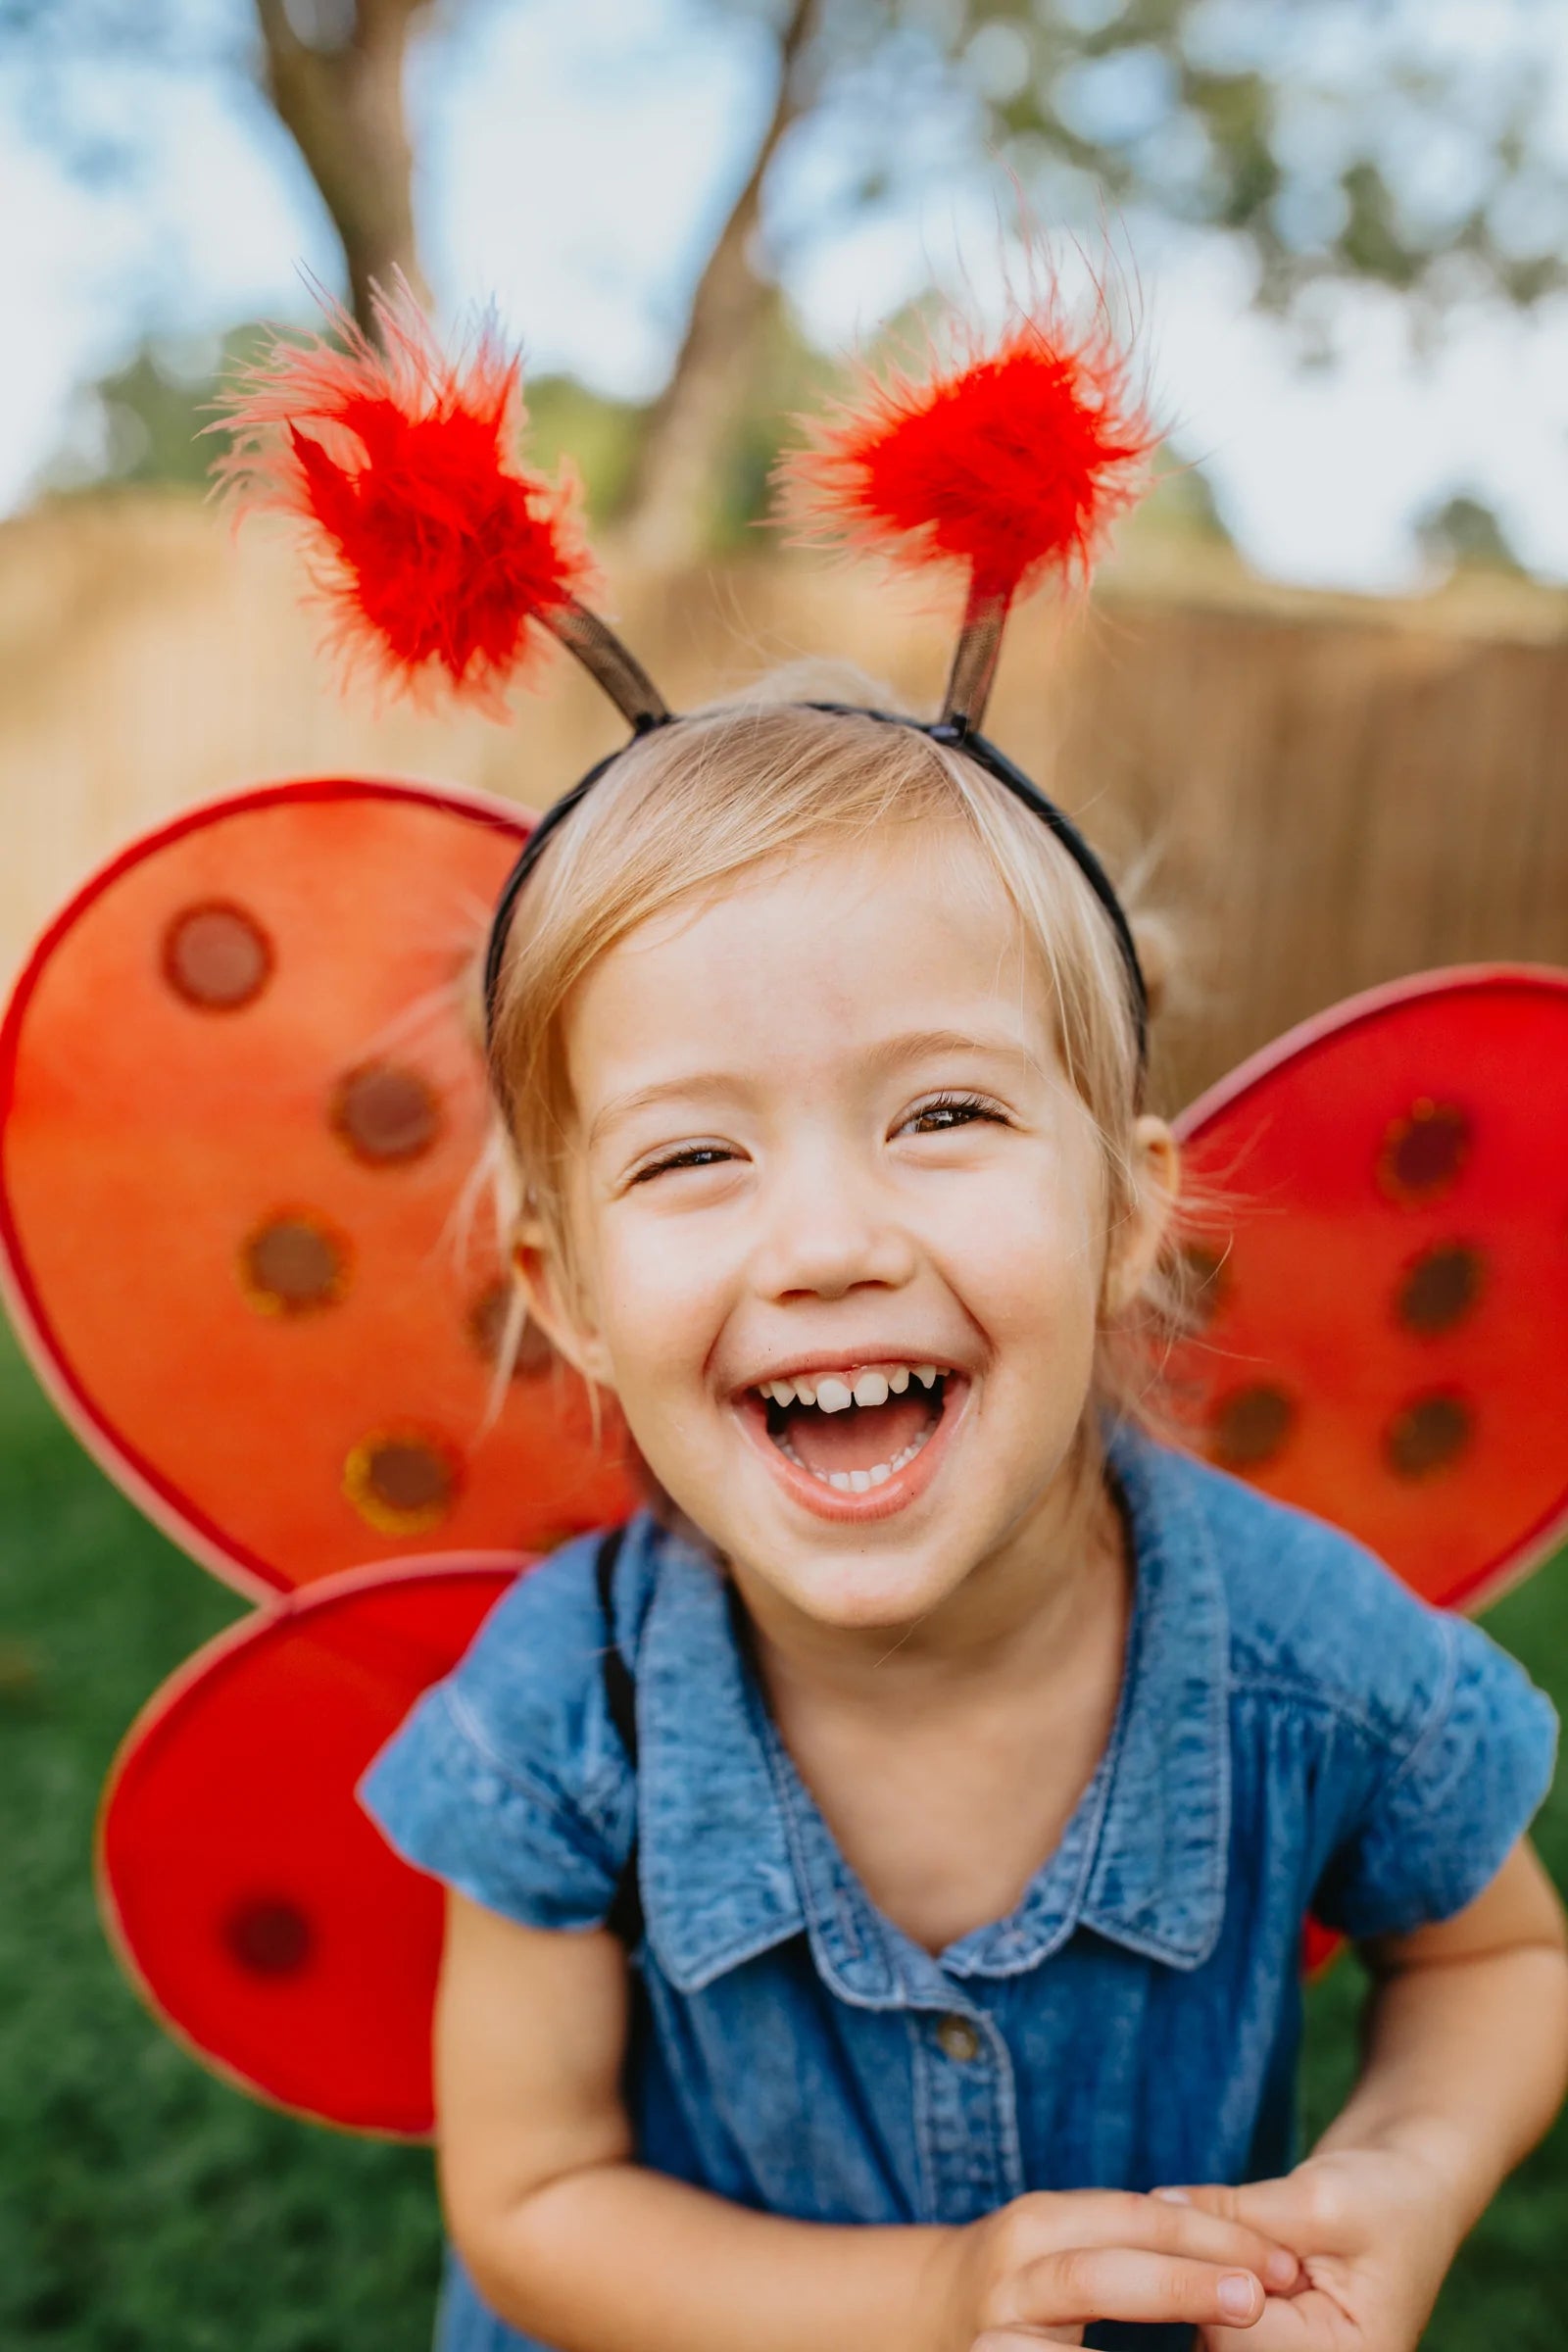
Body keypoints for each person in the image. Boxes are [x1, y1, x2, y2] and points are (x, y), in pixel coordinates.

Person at [206, 278, 1563, 2350]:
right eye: (691, 1156)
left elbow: (1494, 1966)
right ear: (569, 1295)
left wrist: (1384, 2197)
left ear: (1124, 1212)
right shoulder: (573, 1710)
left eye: (938, 1113)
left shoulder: (1307, 1661)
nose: (825, 1240)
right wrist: (933, 2296)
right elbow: (534, 2195)